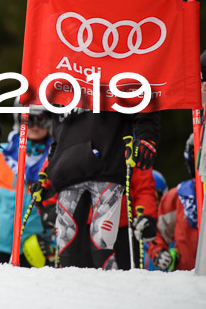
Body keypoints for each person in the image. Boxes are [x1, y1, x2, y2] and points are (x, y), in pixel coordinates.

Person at [30, 108, 161, 270]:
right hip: (79, 222)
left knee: (107, 260)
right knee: (71, 261)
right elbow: (57, 160)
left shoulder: (122, 144)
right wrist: (47, 201)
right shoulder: (66, 102)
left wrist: (146, 215)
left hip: (117, 224)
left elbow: (143, 186)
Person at [0, 105, 53, 267]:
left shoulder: (54, 158)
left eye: (42, 120)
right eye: (29, 120)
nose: (35, 126)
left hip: (33, 246)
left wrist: (53, 242)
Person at [147, 134, 200, 271]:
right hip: (185, 278)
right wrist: (158, 252)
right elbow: (156, 232)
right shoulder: (179, 196)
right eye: (196, 153)